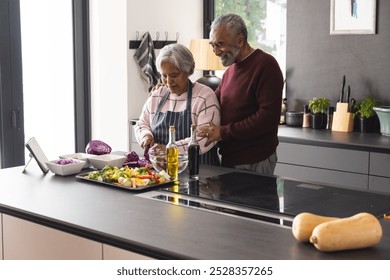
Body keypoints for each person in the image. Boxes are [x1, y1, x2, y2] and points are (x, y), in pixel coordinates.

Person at [198, 13, 284, 175]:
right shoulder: (230, 71)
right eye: (213, 45)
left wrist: (223, 132)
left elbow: (267, 118)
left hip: (255, 159)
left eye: (220, 44)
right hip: (231, 159)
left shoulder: (266, 65)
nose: (216, 51)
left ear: (239, 39)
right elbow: (212, 101)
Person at [134, 43, 221, 165]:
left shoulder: (205, 96)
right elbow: (141, 124)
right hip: (162, 172)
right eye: (164, 76)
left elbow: (205, 138)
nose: (168, 82)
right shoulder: (157, 95)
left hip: (201, 171)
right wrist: (145, 136)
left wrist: (171, 150)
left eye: (174, 75)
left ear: (188, 70)